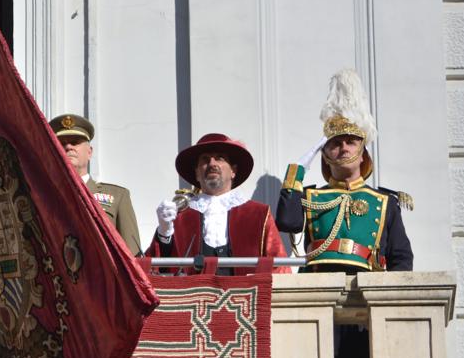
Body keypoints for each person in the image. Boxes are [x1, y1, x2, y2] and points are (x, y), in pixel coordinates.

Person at [276, 69, 413, 272]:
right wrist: (299, 168)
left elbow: (400, 257)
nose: (344, 149)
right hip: (319, 283)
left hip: (368, 282)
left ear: (363, 153)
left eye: (351, 142)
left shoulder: (386, 201)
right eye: (336, 144)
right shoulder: (311, 197)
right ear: (324, 154)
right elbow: (287, 222)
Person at [146, 133, 287, 275]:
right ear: (196, 173)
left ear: (233, 171)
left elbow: (279, 268)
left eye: (220, 158)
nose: (212, 163)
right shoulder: (179, 215)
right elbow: (153, 270)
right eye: (205, 160)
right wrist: (164, 233)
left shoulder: (259, 214)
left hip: (243, 295)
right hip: (192, 295)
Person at [49, 113, 141, 255]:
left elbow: (132, 253)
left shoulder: (117, 196)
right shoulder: (42, 194)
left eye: (75, 142)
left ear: (89, 152)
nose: (68, 146)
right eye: (61, 143)